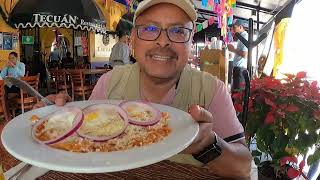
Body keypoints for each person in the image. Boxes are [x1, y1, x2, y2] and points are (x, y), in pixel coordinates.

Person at [34, 0, 252, 178]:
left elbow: (242, 169)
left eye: (177, 31)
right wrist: (60, 122)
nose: (163, 41)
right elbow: (86, 143)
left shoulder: (210, 89)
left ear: (190, 42)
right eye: (150, 29)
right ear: (133, 42)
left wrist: (208, 145)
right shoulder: (109, 83)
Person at [227, 19, 249, 92]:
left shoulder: (244, 36)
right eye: (232, 27)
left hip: (240, 69)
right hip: (238, 69)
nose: (232, 29)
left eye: (234, 27)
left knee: (237, 93)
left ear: (240, 27)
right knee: (235, 92)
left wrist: (233, 49)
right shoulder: (241, 36)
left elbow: (245, 54)